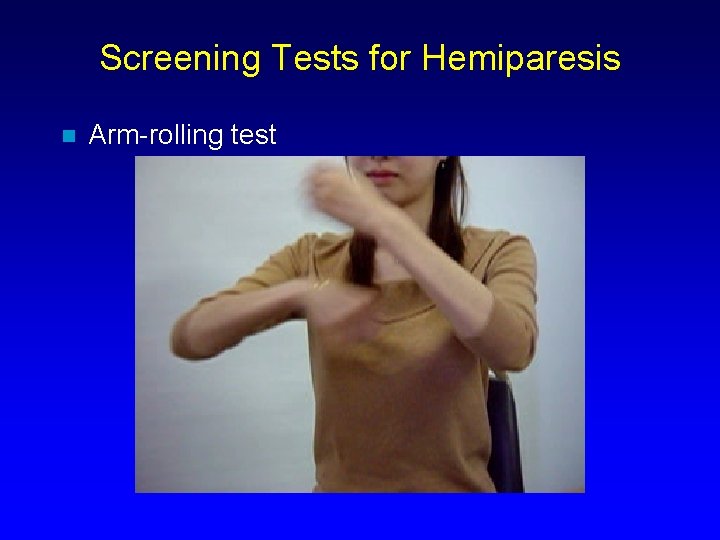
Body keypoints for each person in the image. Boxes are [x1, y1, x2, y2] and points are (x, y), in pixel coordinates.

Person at [170, 156, 538, 492]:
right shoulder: (314, 257)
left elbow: (513, 349)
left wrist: (384, 222)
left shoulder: (496, 252)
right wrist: (297, 292)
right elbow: (191, 337)